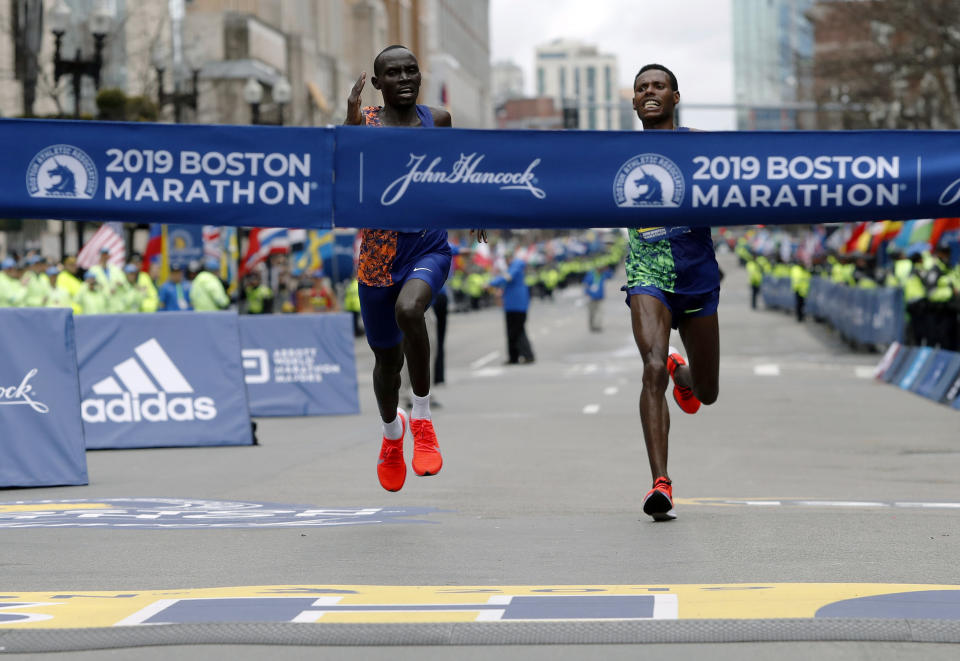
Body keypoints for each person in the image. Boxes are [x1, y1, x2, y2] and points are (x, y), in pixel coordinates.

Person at [344, 44, 484, 492]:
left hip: (428, 245)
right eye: (394, 73)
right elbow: (346, 164)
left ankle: (422, 419)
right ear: (378, 82)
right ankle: (392, 435)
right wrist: (349, 118)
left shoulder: (437, 120)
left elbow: (454, 171)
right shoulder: (364, 123)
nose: (405, 78)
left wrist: (480, 204)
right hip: (378, 259)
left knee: (411, 312)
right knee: (386, 361)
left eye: (411, 70)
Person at [625, 64, 721, 521]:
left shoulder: (699, 145)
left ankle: (685, 376)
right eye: (642, 87)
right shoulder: (618, 151)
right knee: (651, 367)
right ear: (633, 101)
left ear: (675, 97)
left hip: (697, 272)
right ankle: (660, 482)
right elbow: (555, 175)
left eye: (658, 86)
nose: (649, 92)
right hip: (648, 268)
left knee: (708, 391)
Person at [490, 250, 535, 364]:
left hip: (518, 305)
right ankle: (513, 357)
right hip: (510, 305)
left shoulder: (517, 265)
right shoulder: (511, 267)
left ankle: (527, 355)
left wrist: (491, 283)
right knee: (512, 332)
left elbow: (507, 278)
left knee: (517, 331)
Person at [583, 263, 612, 332]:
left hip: (600, 297)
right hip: (591, 297)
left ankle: (598, 326)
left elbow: (611, 275)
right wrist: (587, 293)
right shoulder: (590, 275)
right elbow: (586, 284)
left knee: (599, 312)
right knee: (591, 313)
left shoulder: (603, 275)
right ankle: (592, 326)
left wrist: (607, 269)